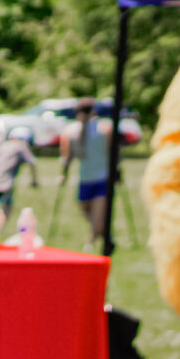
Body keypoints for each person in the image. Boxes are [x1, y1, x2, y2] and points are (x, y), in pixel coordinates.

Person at [73, 98, 117, 247]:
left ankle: (91, 242)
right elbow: (78, 154)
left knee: (98, 216)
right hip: (85, 178)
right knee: (86, 210)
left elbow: (112, 151)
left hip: (102, 178)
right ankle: (106, 235)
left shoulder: (104, 128)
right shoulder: (77, 131)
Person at [0, 126, 37, 236]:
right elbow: (32, 162)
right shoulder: (21, 146)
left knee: (2, 206)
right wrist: (34, 180)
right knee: (6, 208)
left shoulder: (3, 145)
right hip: (5, 182)